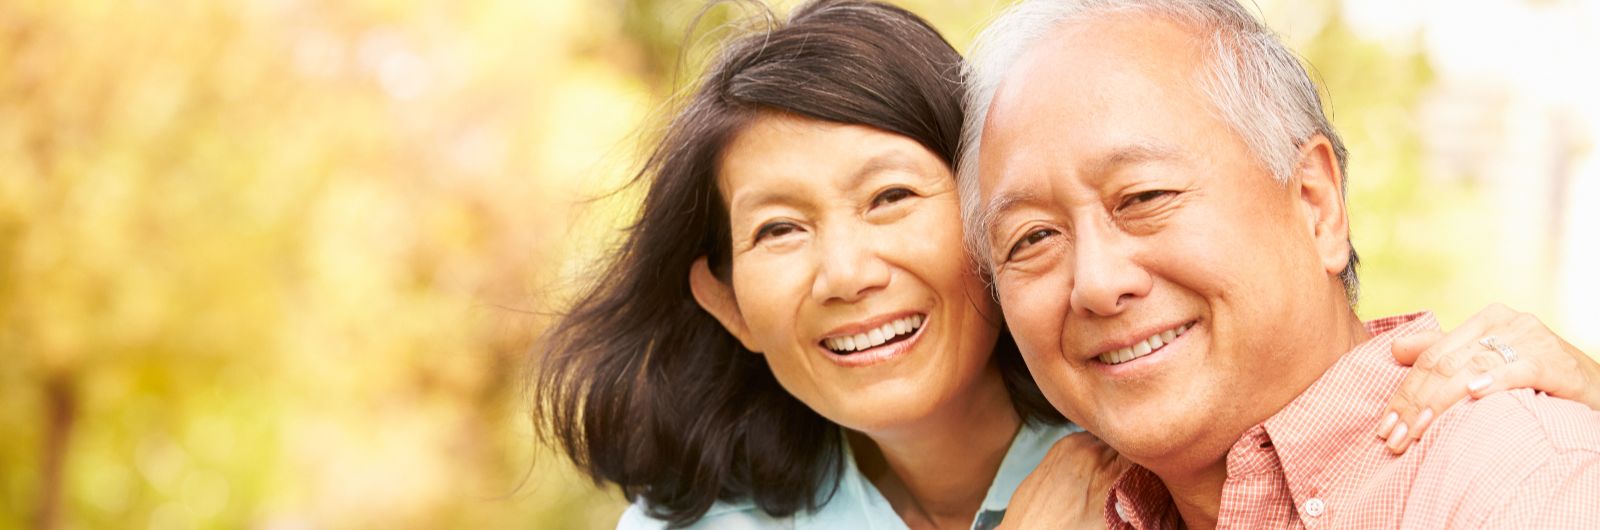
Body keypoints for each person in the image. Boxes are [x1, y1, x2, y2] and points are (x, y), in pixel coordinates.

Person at [534, 1, 1600, 528]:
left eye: (894, 198)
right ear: (723, 301)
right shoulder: (1156, 478)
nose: (847, 268)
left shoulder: (1478, 460)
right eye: (778, 229)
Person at [956, 0, 1600, 528]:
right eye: (1033, 237)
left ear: (1315, 204)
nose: (1096, 283)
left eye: (1145, 197)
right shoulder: (1063, 513)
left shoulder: (1519, 484)